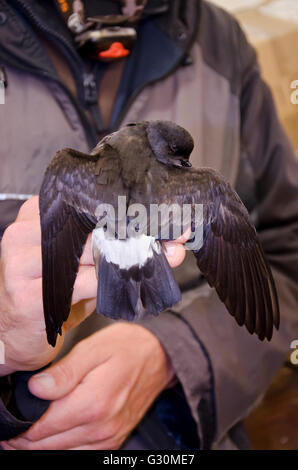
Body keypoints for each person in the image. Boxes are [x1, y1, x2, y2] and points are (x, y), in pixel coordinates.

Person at [0, 0, 298, 450]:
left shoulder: (219, 39)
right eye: (179, 161)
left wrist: (178, 352)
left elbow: (288, 253)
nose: (183, 168)